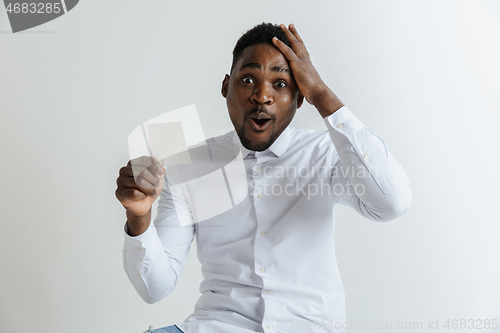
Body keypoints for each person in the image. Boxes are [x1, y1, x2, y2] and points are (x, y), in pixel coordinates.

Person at [115, 22, 412, 333]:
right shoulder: (189, 167)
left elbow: (392, 203)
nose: (262, 96)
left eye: (281, 84)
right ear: (225, 87)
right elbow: (154, 288)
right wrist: (140, 217)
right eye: (248, 79)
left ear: (300, 98)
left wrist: (322, 94)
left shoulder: (326, 153)